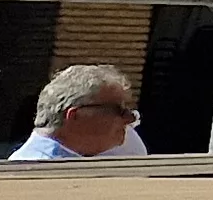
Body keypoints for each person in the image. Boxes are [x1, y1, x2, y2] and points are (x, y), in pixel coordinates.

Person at [12, 65, 144, 160]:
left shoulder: (71, 162)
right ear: (74, 115)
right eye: (117, 110)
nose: (130, 118)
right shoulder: (38, 171)